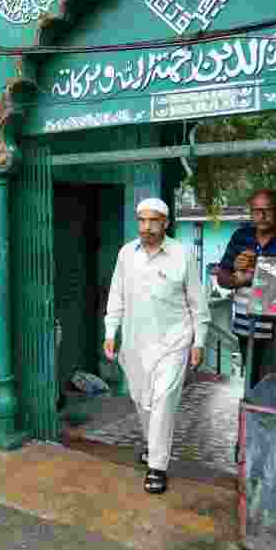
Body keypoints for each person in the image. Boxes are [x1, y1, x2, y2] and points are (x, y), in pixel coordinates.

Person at [102, 197, 209, 495]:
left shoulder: (182, 254)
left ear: (166, 223)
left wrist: (198, 341)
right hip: (136, 344)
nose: (146, 227)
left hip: (174, 342)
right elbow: (116, 295)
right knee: (141, 399)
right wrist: (111, 332)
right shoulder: (126, 254)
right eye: (142, 220)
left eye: (153, 221)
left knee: (162, 403)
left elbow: (197, 303)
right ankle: (152, 446)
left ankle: (157, 467)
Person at [215, 189, 276, 387]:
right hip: (246, 326)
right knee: (252, 384)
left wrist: (259, 270)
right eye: (256, 210)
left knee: (274, 386)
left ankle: (273, 418)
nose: (261, 216)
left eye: (267, 210)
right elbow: (222, 276)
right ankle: (254, 418)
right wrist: (237, 280)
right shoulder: (240, 237)